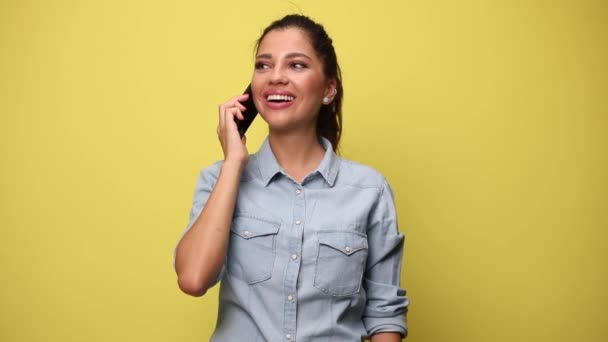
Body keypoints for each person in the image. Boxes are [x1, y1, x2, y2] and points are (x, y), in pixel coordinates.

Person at [174, 14, 409, 341]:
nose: (276, 77)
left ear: (329, 89)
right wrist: (232, 163)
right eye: (263, 65)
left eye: (296, 65)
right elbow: (193, 279)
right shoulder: (218, 179)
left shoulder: (370, 190)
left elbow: (385, 315)